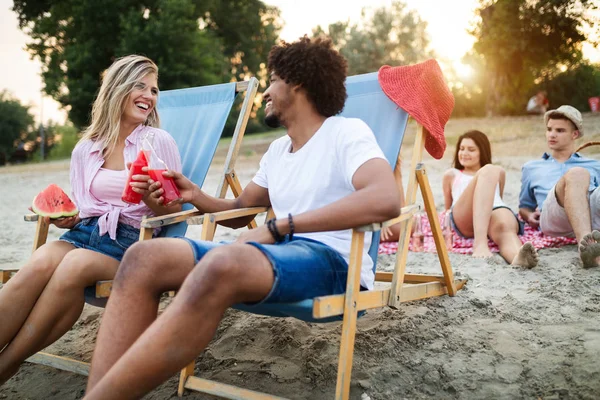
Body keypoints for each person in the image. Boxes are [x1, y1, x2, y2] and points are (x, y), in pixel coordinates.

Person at [83, 36, 400, 399]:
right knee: (144, 258)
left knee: (224, 260)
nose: (266, 92)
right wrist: (194, 195)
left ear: (295, 83)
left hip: (334, 264)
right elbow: (239, 211)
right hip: (280, 257)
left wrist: (281, 226)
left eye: (273, 81)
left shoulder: (346, 133)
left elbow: (384, 197)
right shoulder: (278, 150)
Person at [0, 55, 182, 385]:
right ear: (117, 88)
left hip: (131, 243)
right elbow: (84, 208)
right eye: (140, 85)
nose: (149, 95)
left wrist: (151, 199)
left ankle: (6, 366)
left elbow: (175, 207)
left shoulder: (157, 141)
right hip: (85, 233)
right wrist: (67, 220)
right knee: (39, 263)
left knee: (73, 267)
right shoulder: (86, 148)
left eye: (154, 90)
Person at [440, 130, 538, 267]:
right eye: (461, 149)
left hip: (493, 211)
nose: (464, 153)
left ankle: (517, 258)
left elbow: (498, 198)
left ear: (482, 151)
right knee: (490, 170)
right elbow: (447, 209)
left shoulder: (499, 173)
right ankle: (480, 243)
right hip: (464, 218)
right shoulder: (452, 174)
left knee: (505, 228)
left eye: (471, 149)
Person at [519, 105, 600, 268]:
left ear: (574, 134)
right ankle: (588, 247)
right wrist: (528, 216)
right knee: (576, 173)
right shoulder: (532, 167)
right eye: (549, 129)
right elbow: (524, 206)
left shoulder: (594, 164)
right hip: (554, 218)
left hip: (589, 215)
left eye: (560, 130)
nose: (552, 134)